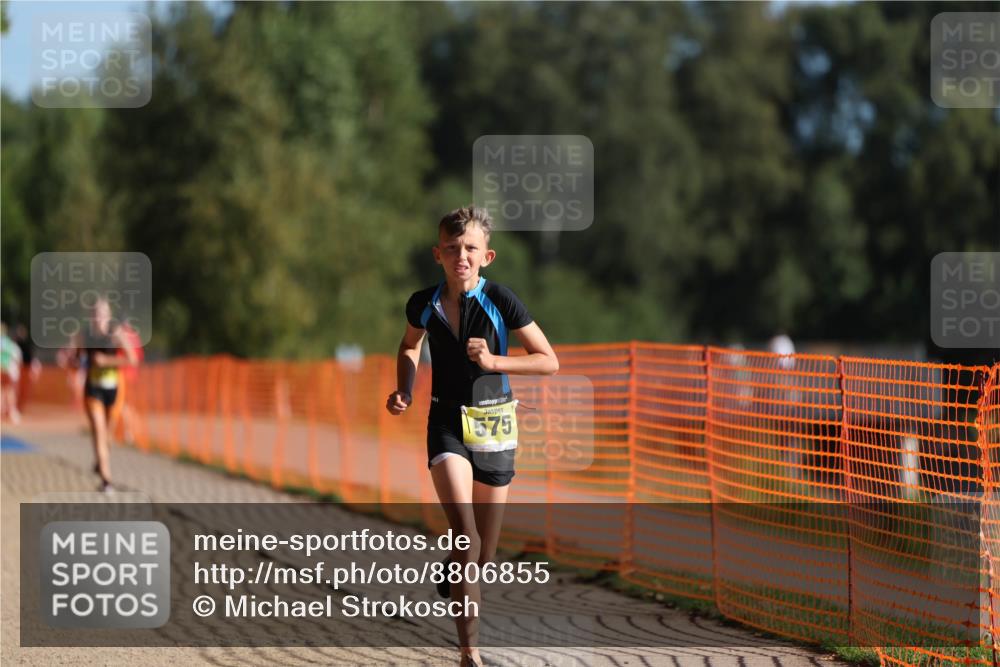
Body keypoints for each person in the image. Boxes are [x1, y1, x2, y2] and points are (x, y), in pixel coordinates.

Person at [386, 206, 559, 667]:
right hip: (445, 425)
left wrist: (495, 363)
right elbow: (408, 345)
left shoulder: (501, 300)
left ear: (487, 256)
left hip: (494, 425)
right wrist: (404, 387)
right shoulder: (422, 302)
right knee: (466, 536)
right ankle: (470, 653)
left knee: (483, 553)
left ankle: (455, 574)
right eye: (452, 247)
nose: (460, 255)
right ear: (437, 253)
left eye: (470, 248)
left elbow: (547, 360)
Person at [69, 297, 138, 491]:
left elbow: (132, 360)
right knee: (98, 432)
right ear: (90, 316)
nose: (98, 317)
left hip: (114, 389)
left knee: (108, 436)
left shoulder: (115, 334)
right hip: (93, 389)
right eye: (94, 313)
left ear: (108, 315)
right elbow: (75, 359)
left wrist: (107, 362)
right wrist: (73, 361)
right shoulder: (83, 335)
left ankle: (100, 461)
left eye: (101, 313)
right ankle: (106, 480)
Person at [110, 321, 144, 445]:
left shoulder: (121, 336)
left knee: (122, 405)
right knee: (129, 405)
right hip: (134, 374)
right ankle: (133, 431)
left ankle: (128, 433)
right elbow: (139, 356)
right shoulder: (135, 336)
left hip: (122, 374)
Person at [14, 324, 41, 414]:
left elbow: (31, 358)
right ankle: (17, 407)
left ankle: (20, 407)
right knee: (17, 389)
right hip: (19, 368)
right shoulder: (16, 344)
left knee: (24, 389)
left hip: (26, 368)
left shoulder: (26, 344)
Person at [0, 322, 23, 423]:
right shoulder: (9, 344)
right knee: (9, 391)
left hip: (5, 370)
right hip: (7, 370)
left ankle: (7, 411)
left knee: (4, 391)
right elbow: (17, 359)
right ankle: (11, 412)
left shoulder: (7, 343)